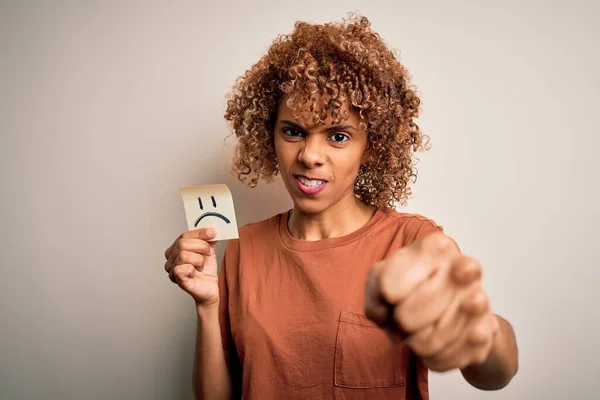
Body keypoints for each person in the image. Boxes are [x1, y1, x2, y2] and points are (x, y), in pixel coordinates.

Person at [164, 15, 518, 400]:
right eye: (293, 131)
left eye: (337, 135)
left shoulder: (412, 242)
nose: (310, 155)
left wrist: (478, 327)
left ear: (372, 146)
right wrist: (206, 306)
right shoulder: (244, 248)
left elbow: (495, 373)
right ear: (270, 134)